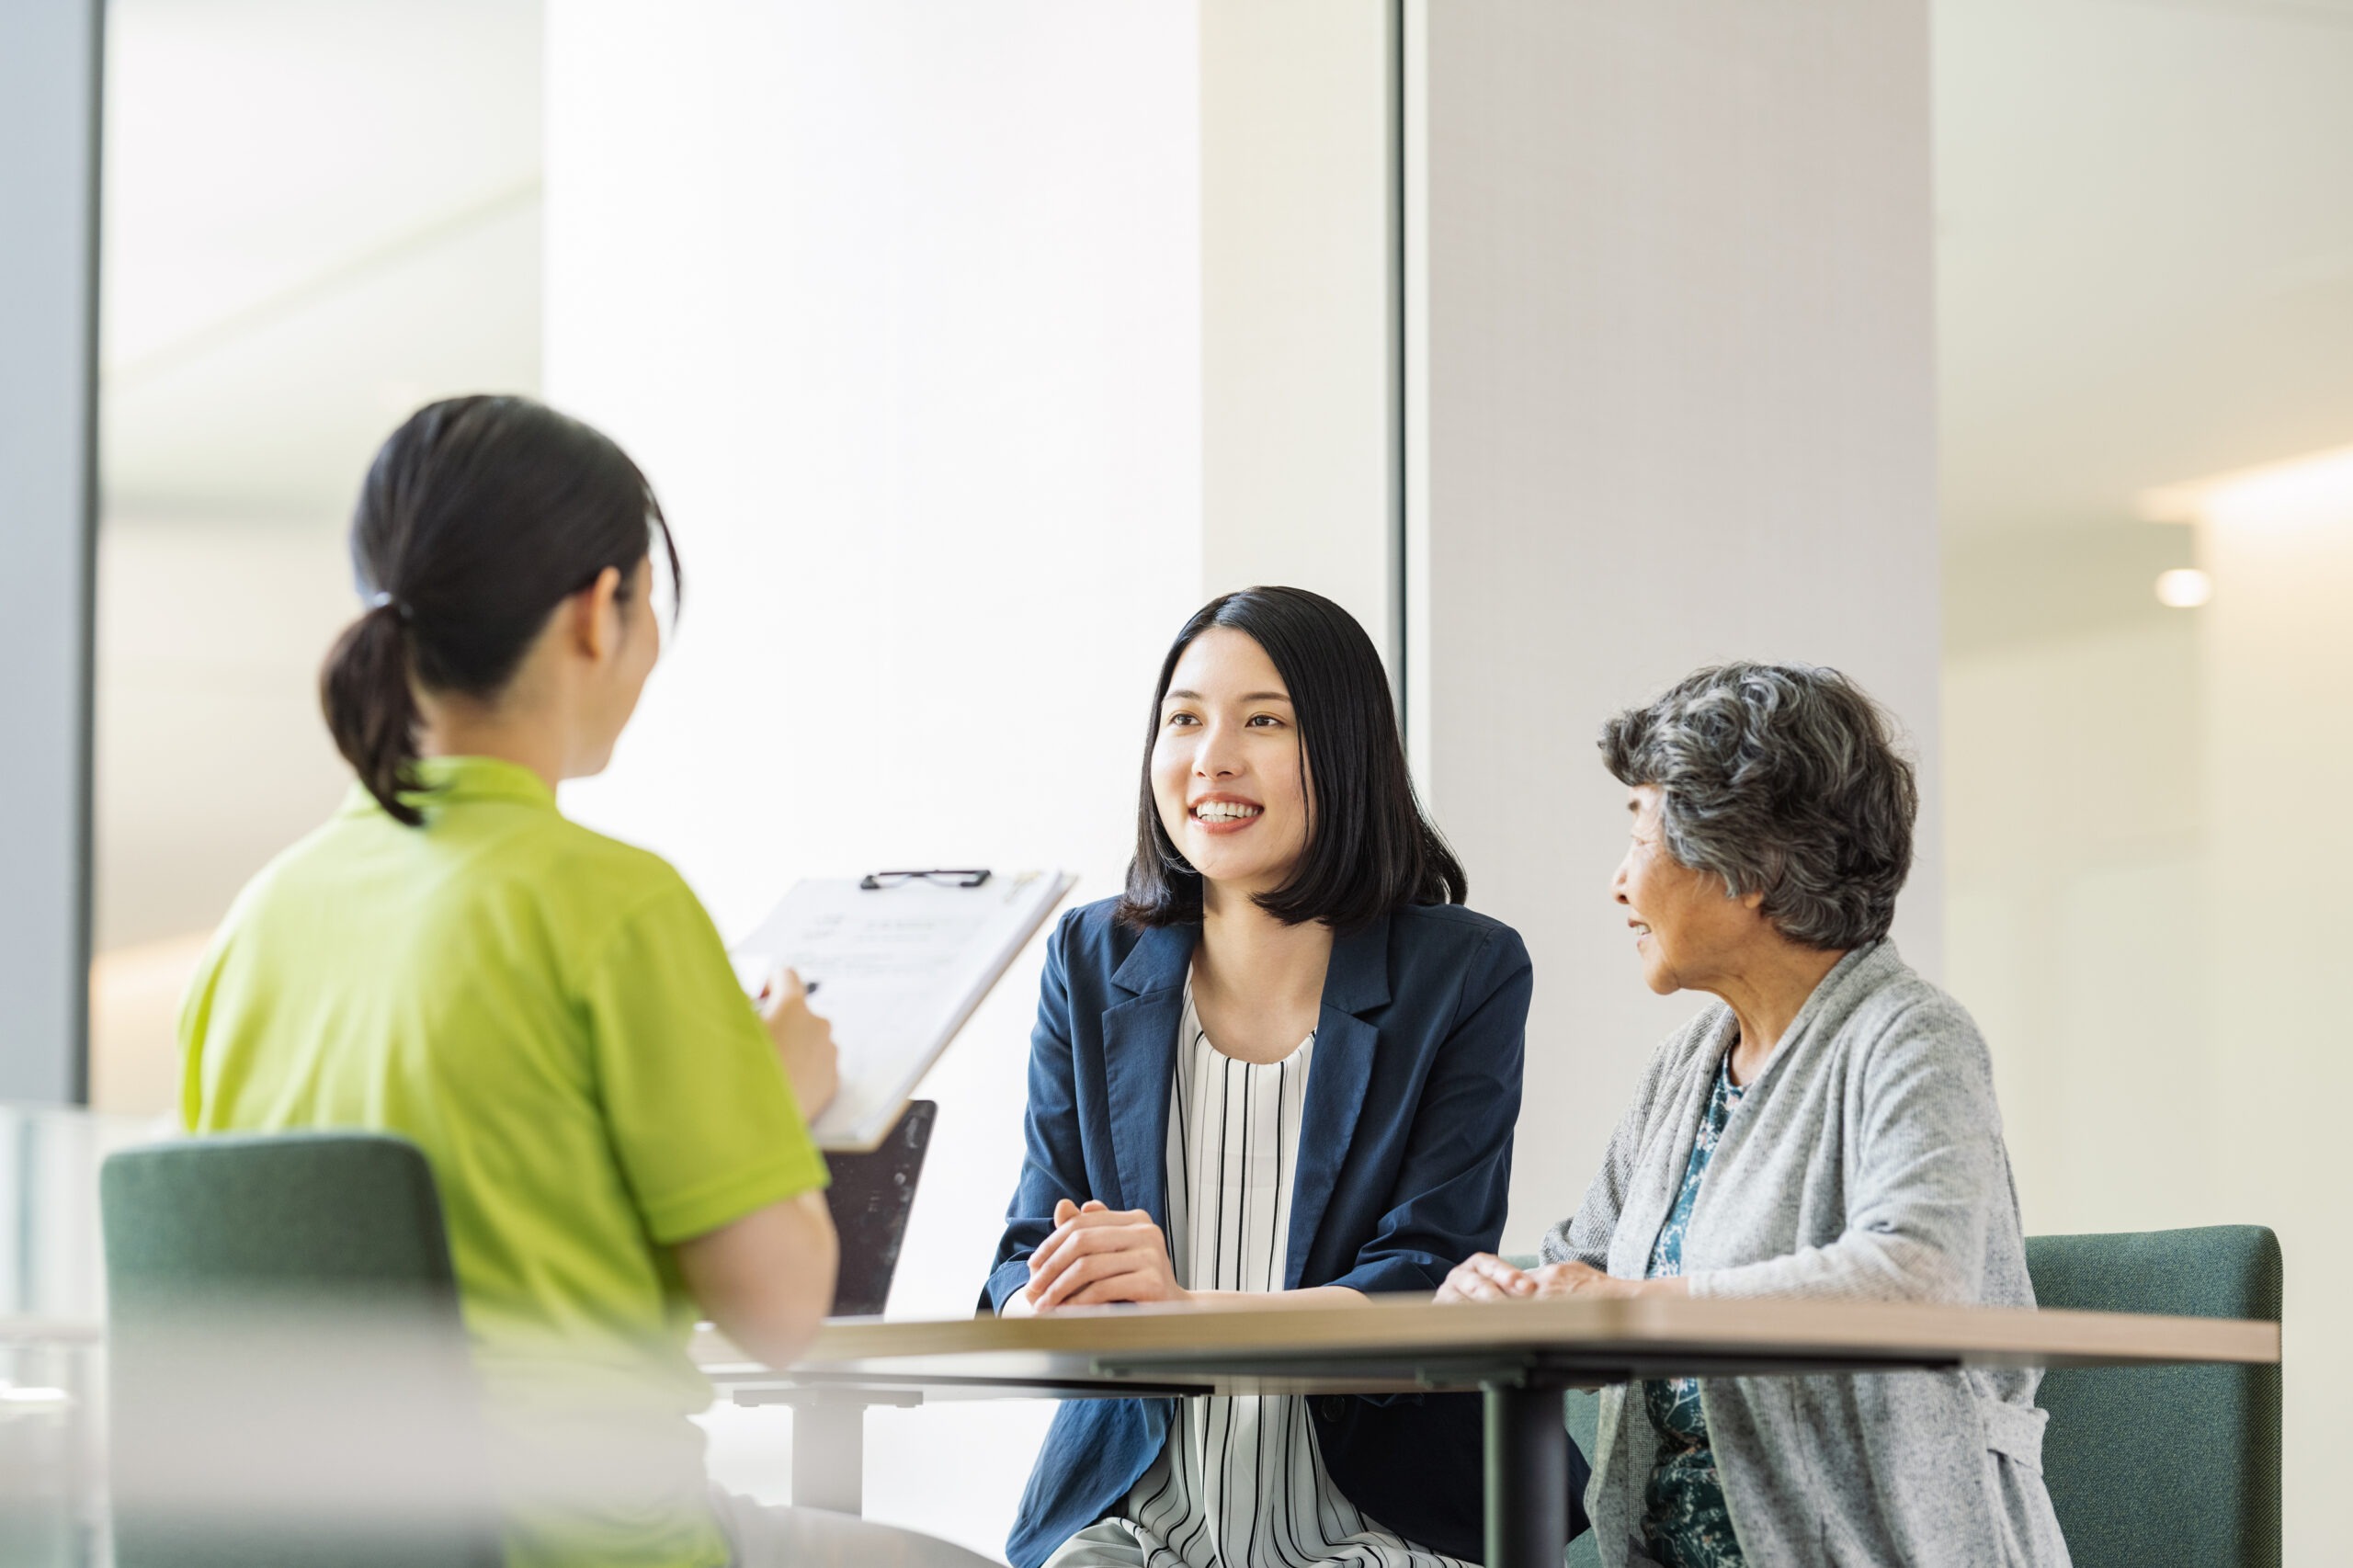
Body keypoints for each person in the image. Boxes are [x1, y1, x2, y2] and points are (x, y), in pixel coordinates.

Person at [177, 396, 993, 1568]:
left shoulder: (259, 923)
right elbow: (779, 1313)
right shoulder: (614, 908)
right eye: (651, 602)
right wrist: (775, 1094)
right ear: (596, 615)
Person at [984, 585, 1586, 1568]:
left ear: (1345, 751)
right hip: (1136, 1524)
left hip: (1386, 1523)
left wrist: (1180, 1312)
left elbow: (1423, 1277)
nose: (1212, 756)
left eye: (1263, 720)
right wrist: (1050, 1291)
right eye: (1184, 718)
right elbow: (1020, 1243)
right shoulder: (1089, 956)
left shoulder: (1464, 970)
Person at [1438, 662, 2070, 1568]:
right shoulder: (1682, 1067)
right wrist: (1504, 1294)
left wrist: (1621, 1302)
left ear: (1752, 867)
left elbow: (1913, 1278)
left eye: (1641, 839)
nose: (1618, 883)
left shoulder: (1913, 1038)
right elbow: (1585, 1262)